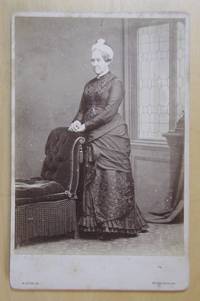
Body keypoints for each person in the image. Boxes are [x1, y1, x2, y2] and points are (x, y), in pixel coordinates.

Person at [69, 39, 148, 240]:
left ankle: (115, 225)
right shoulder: (89, 84)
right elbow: (82, 110)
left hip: (112, 134)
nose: (94, 63)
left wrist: (85, 125)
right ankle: (95, 224)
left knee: (111, 176)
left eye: (98, 60)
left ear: (107, 61)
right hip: (92, 134)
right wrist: (76, 123)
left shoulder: (116, 82)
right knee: (94, 176)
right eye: (92, 60)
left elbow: (110, 111)